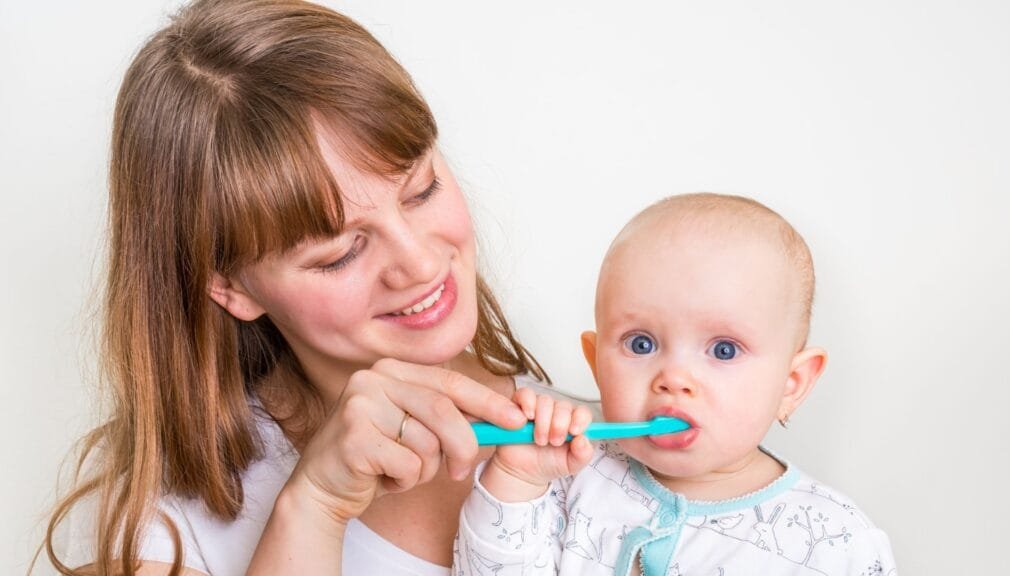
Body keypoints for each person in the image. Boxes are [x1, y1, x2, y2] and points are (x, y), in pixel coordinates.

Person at [40, 1, 594, 574]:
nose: (420, 261)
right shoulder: (159, 519)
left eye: (421, 190)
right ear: (229, 286)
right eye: (340, 254)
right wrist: (314, 507)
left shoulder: (607, 446)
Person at [453, 193, 898, 575]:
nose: (674, 380)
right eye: (641, 344)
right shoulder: (566, 476)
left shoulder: (835, 542)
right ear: (596, 363)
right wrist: (515, 481)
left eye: (724, 350)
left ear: (791, 384)